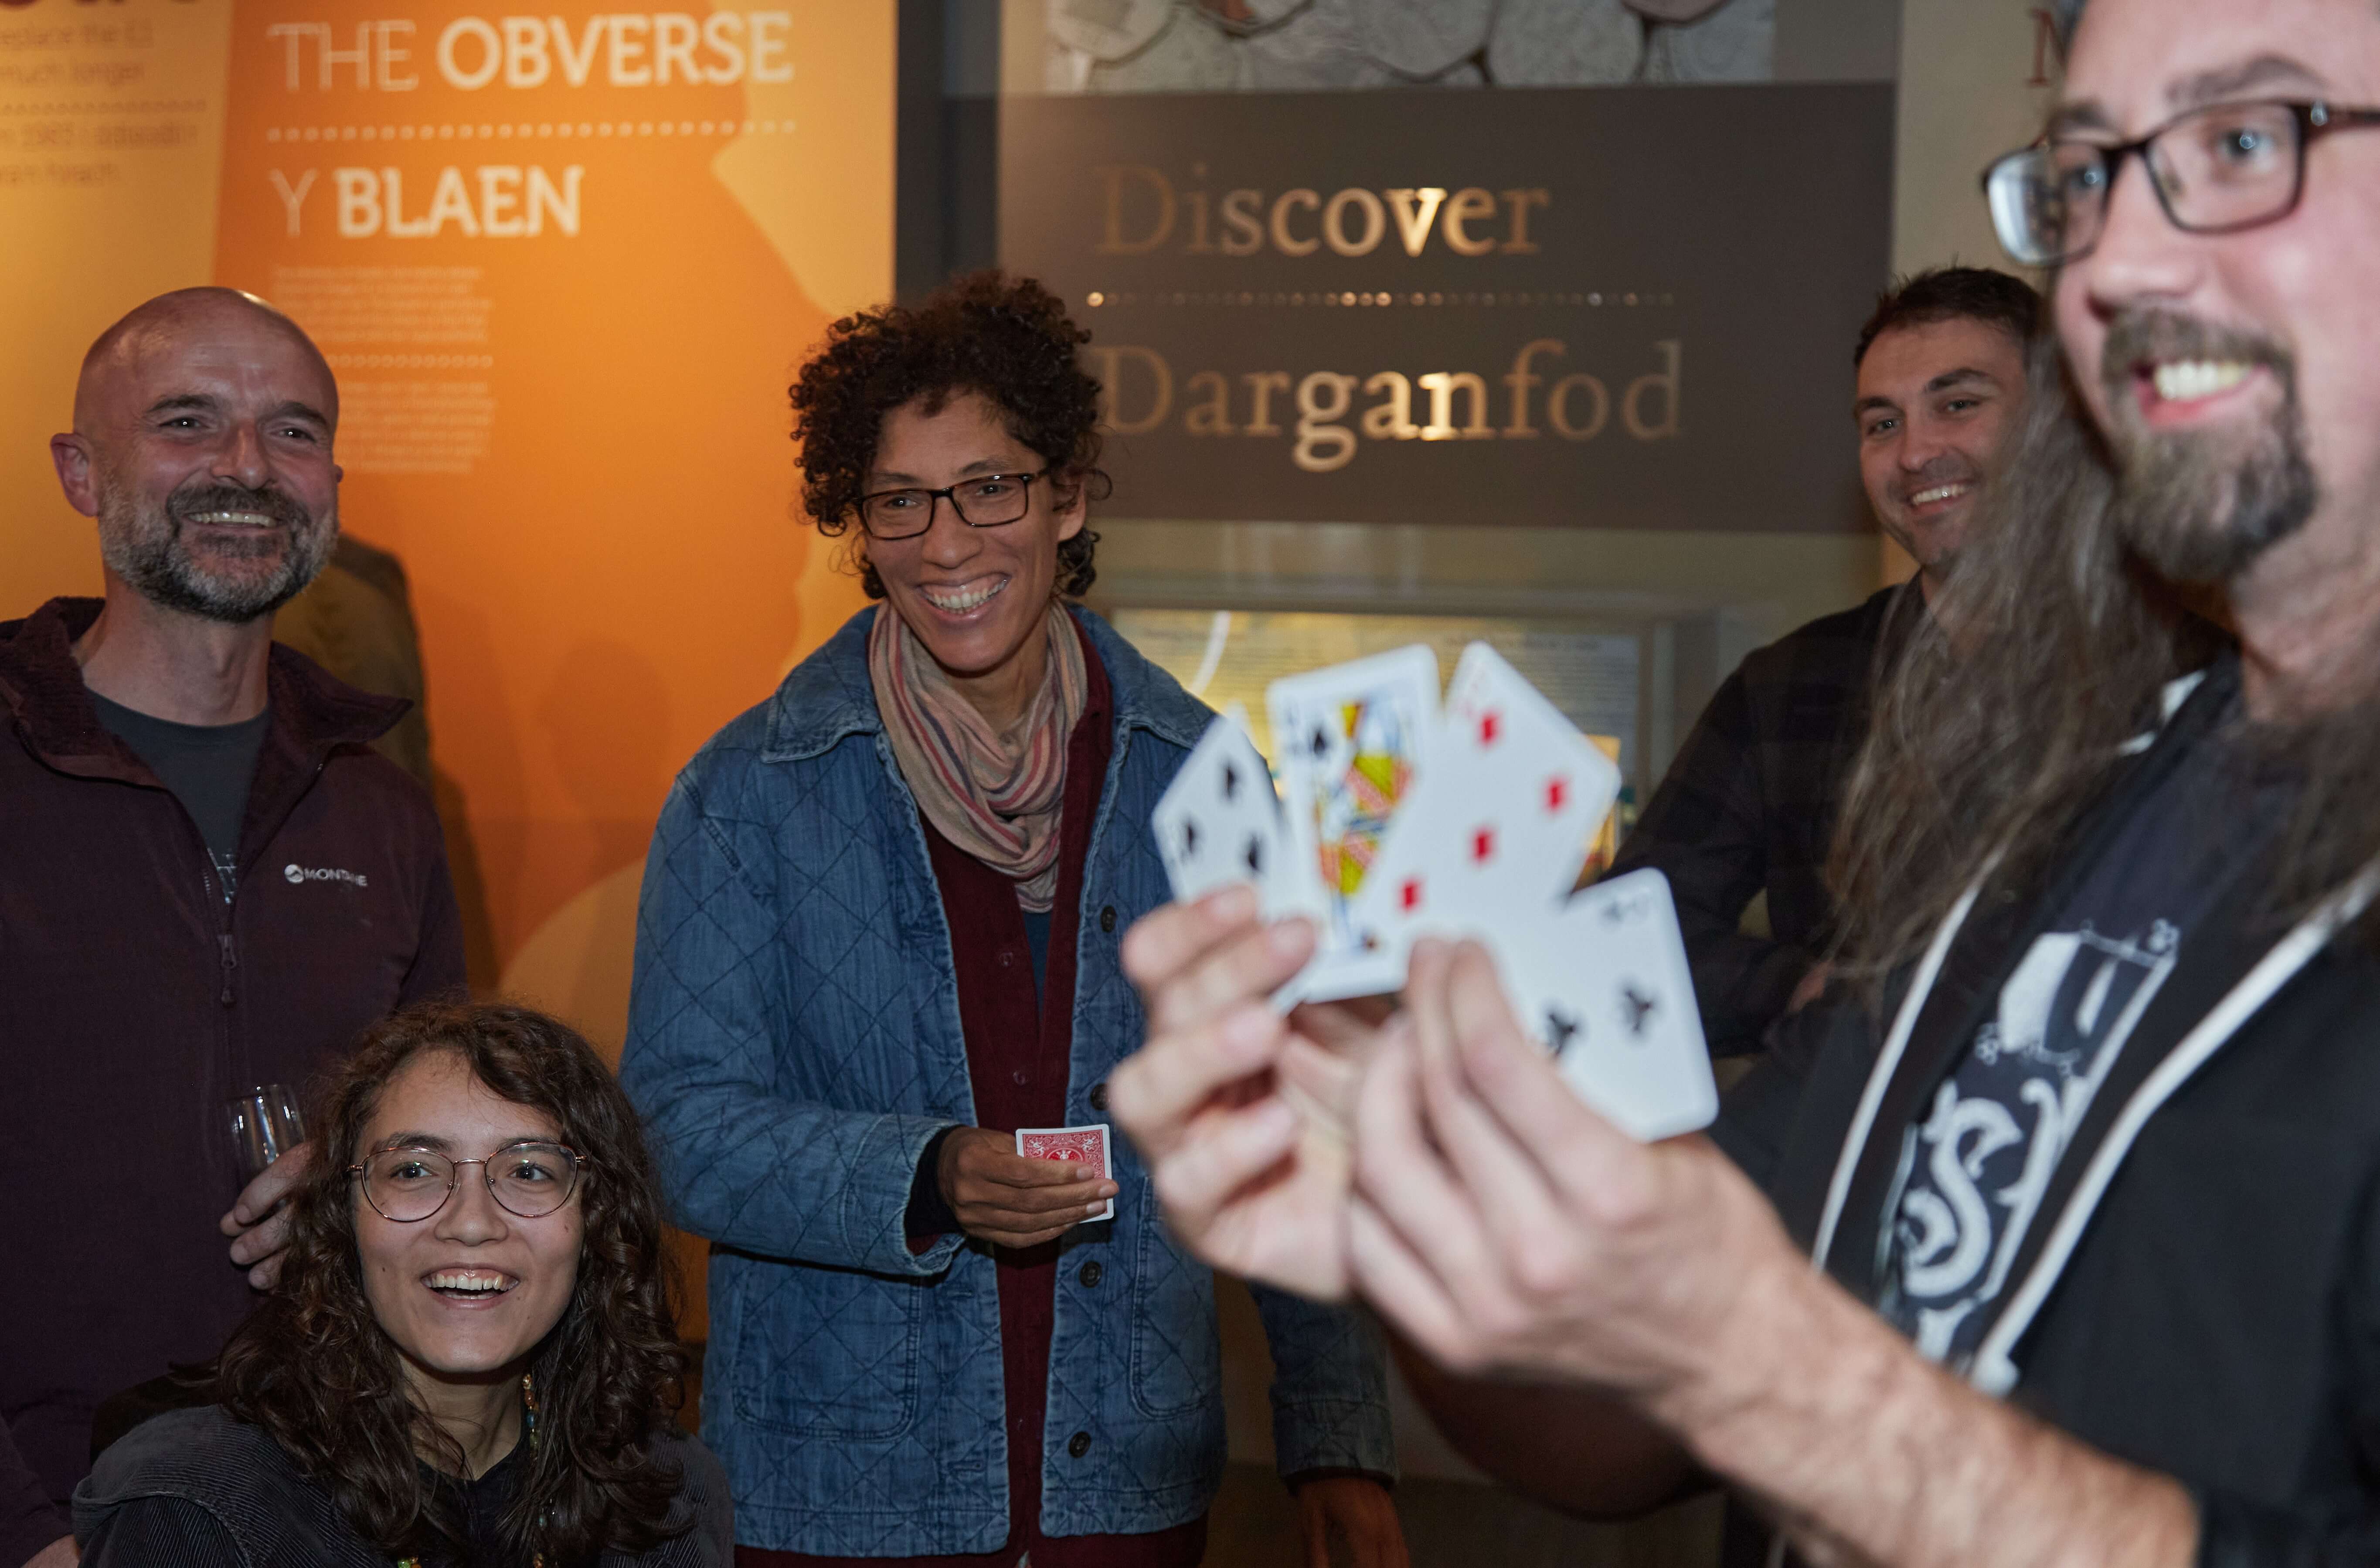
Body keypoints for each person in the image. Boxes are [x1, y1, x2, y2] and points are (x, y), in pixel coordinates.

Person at [1109, 0, 2380, 1560]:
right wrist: (1395, 1163)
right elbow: (1620, 1424)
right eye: (2089, 178)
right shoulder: (2040, 814)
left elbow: (1739, 1355)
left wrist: (1766, 1367)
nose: (2115, 265)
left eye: (2242, 141)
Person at [620, 272, 1401, 1567]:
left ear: (1068, 494)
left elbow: (1289, 1111)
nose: (945, 543)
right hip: (844, 1495)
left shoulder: (1198, 776)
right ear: (856, 524)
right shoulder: (748, 792)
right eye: (900, 501)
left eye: (989, 487)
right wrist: (922, 1171)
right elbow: (672, 1124)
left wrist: (1335, 1435)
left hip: (1128, 1492)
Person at [0, 288, 466, 1568]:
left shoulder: (379, 809)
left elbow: (467, 1149)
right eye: (188, 422)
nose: (247, 467)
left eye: (294, 431)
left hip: (334, 1507)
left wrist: (379, 1170)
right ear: (81, 472)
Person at [71, 999, 731, 1566]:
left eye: (530, 1171)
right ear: (341, 1218)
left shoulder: (667, 1494)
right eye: (414, 1170)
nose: (472, 1222)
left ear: (596, 1222)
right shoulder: (197, 1510)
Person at [1608, 266, 2039, 1054]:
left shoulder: (2184, 682)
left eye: (1959, 404)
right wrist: (1812, 993)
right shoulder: (1786, 690)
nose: (1915, 453)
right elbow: (1624, 936)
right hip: (1836, 1160)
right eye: (1881, 424)